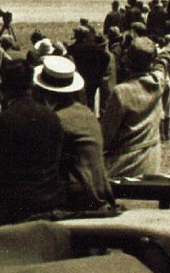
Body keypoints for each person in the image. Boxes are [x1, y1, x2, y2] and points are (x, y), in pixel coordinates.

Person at [0, 59, 64, 224]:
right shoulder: (51, 116)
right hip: (50, 198)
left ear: (3, 87)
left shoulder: (4, 120)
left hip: (19, 204)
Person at [101, 28, 170, 179]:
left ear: (127, 60)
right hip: (150, 160)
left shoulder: (121, 92)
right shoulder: (158, 82)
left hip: (124, 164)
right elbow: (166, 57)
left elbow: (106, 137)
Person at [33, 55, 112, 211]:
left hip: (79, 196)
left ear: (44, 91)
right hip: (99, 190)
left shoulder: (56, 120)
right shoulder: (87, 113)